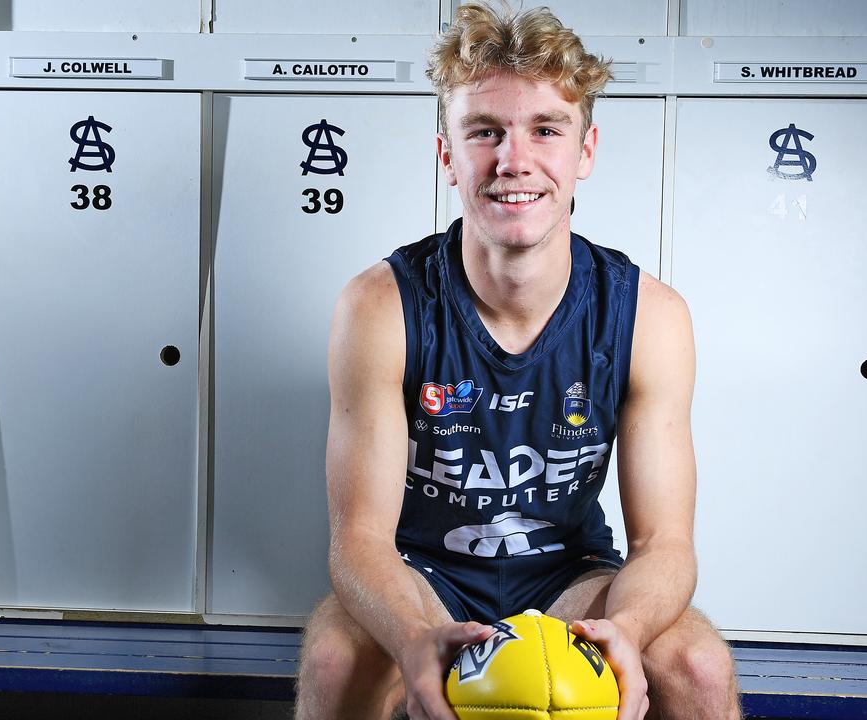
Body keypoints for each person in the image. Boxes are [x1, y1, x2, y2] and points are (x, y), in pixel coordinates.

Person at [295, 4, 740, 719]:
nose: (514, 161)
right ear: (448, 156)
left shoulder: (649, 316)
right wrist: (413, 635)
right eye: (484, 132)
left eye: (545, 129)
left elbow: (664, 542)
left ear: (585, 151)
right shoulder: (380, 306)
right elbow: (359, 540)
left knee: (698, 666)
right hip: (424, 574)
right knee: (335, 660)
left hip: (571, 577)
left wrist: (623, 630)